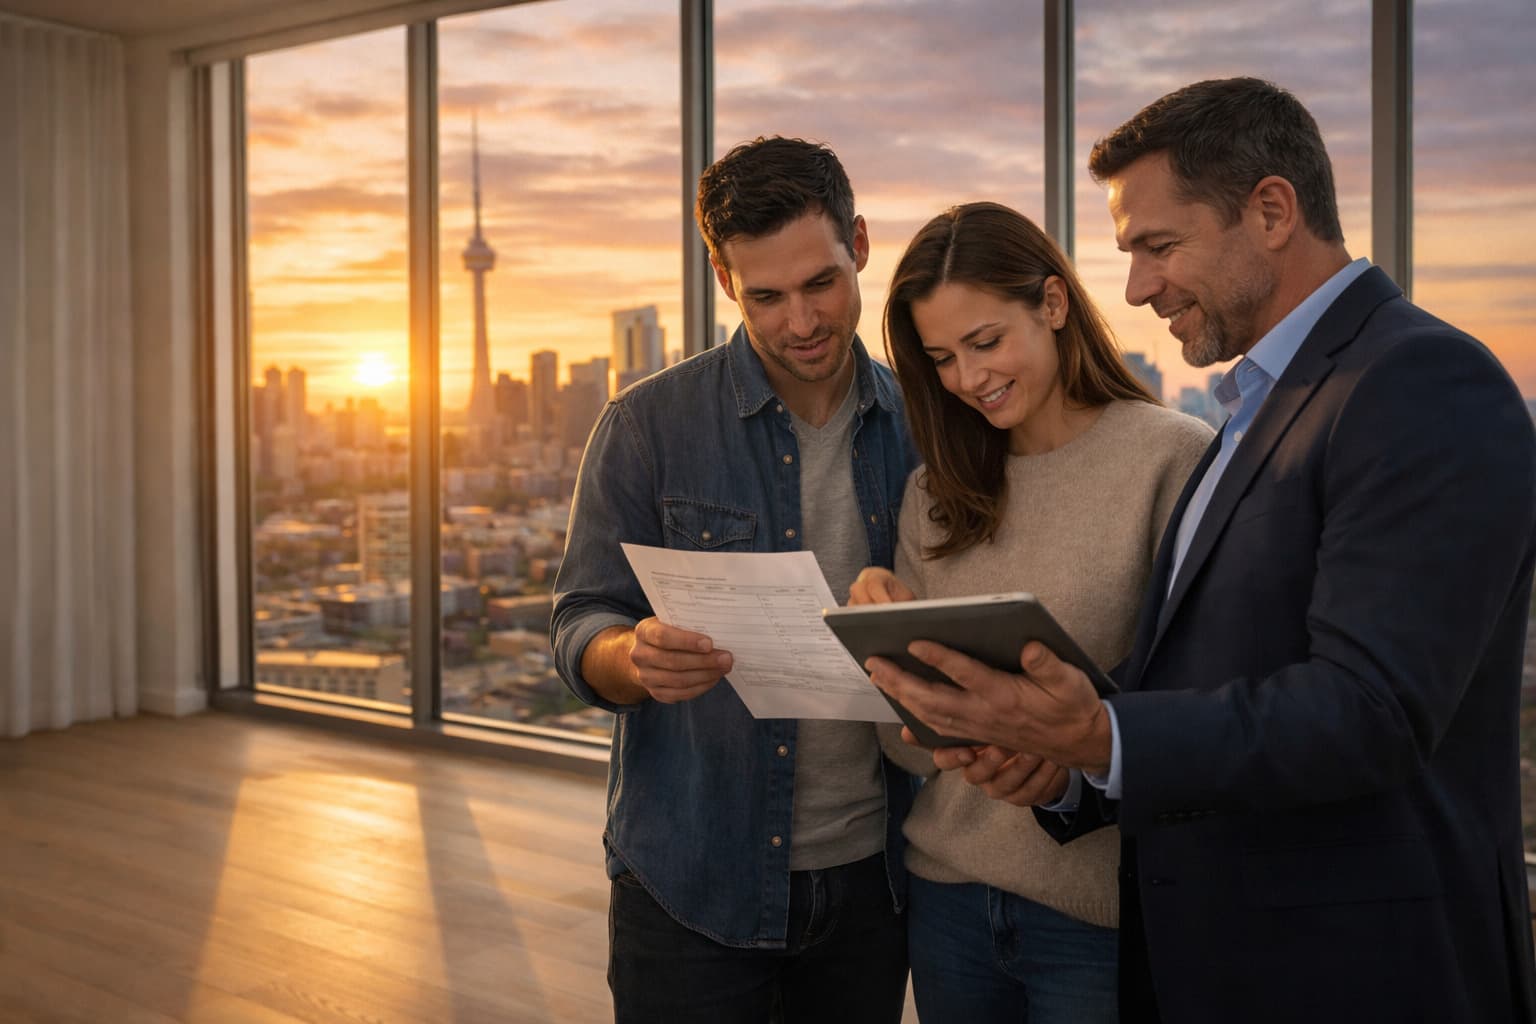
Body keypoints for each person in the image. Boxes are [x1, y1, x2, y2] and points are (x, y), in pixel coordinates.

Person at [863, 77, 1536, 1024]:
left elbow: (1369, 709)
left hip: (1351, 968)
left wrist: (1095, 736)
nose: (1136, 286)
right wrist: (1064, 761)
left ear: (1270, 210)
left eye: (1158, 245)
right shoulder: (1258, 411)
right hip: (1223, 950)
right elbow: (1198, 674)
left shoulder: (1420, 380)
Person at [550, 136, 918, 1024]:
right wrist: (627, 657)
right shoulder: (646, 425)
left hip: (875, 878)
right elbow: (579, 619)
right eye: (766, 296)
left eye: (821, 283)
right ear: (723, 280)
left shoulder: (924, 425)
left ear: (860, 244)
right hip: (692, 879)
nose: (801, 322)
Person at [847, 201, 1211, 1023]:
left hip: (1098, 919)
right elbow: (899, 751)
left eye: (985, 342)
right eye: (940, 358)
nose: (968, 379)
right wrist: (887, 647)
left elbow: (1201, 709)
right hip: (947, 901)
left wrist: (1069, 752)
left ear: (1052, 305)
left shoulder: (1171, 458)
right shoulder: (932, 496)